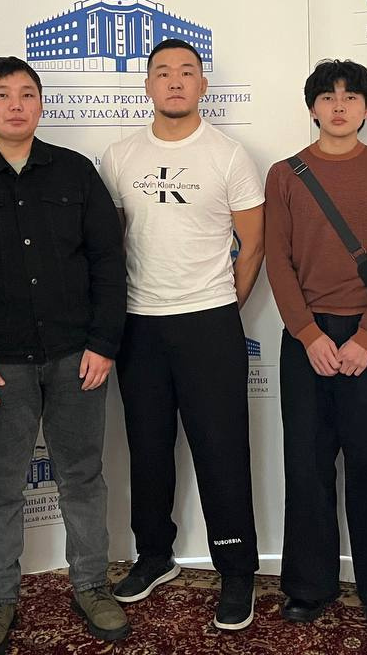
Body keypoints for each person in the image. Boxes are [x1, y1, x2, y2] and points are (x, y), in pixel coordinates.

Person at [0, 56, 129, 653]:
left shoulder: (76, 172)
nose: (15, 104)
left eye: (26, 94)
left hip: (77, 359)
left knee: (83, 478)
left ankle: (91, 585)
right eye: (1, 94)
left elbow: (108, 262)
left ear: (41, 104)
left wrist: (104, 343)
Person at [100, 38, 266, 631]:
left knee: (222, 449)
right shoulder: (118, 157)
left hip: (209, 323)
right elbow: (111, 244)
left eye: (187, 72)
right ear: (148, 85)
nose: (175, 81)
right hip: (139, 324)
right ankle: (154, 556)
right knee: (147, 448)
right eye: (163, 72)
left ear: (202, 85)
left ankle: (237, 568)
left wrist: (221, 305)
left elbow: (253, 244)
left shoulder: (229, 155)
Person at [263, 59, 367, 632]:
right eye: (328, 96)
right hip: (308, 338)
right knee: (306, 467)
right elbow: (278, 260)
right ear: (313, 107)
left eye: (351, 97)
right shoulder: (285, 175)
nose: (340, 106)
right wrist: (307, 334)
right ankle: (308, 586)